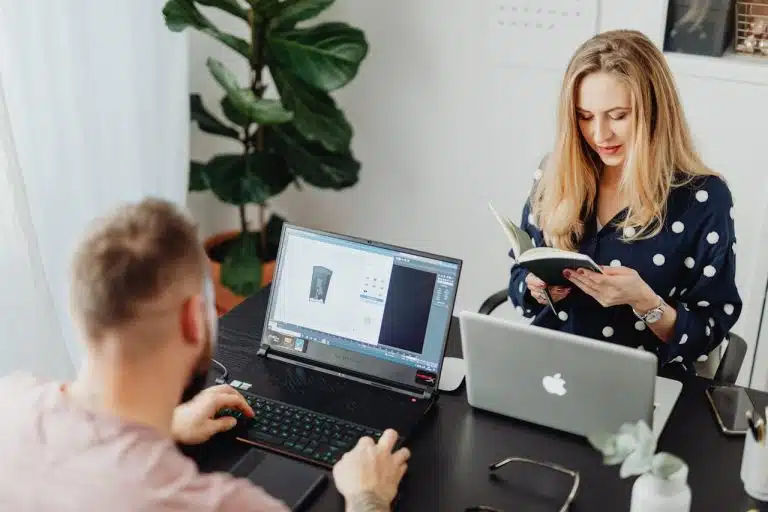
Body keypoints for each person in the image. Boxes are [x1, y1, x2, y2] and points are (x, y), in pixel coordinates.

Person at [0, 198, 409, 511]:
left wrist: (166, 424)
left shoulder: (9, 403)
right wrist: (367, 496)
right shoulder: (216, 504)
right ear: (195, 320)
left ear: (79, 312)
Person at [507, 29, 742, 372]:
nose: (599, 135)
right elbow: (518, 285)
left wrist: (645, 302)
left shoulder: (704, 199)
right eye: (585, 116)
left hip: (643, 382)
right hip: (550, 373)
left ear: (654, 112)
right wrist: (536, 289)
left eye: (618, 115)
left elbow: (709, 330)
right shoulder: (556, 175)